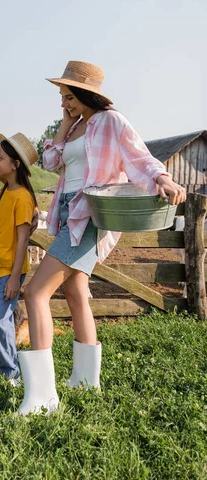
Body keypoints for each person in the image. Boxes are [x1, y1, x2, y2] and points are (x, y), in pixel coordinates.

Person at [17, 60, 187, 415]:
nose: (64, 103)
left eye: (69, 97)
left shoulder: (111, 121)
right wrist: (66, 122)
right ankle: (85, 381)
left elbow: (139, 157)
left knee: (35, 292)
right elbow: (49, 161)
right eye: (62, 98)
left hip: (89, 212)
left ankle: (42, 397)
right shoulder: (76, 125)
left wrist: (162, 179)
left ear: (86, 93)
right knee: (76, 291)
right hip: (66, 210)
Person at [0, 133, 38, 385]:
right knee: (0, 319)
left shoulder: (23, 198)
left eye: (0, 158)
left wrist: (15, 277)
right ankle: (9, 368)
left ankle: (11, 373)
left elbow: (23, 240)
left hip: (8, 270)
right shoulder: (7, 191)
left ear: (15, 165)